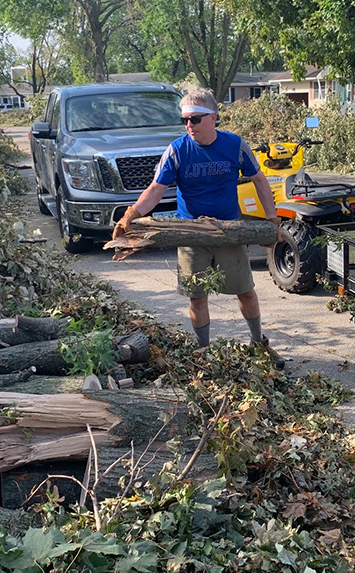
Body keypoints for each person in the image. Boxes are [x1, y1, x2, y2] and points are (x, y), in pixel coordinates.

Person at [111, 90, 284, 367]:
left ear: (213, 118)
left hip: (229, 231)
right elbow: (157, 188)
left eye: (195, 119)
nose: (189, 125)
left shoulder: (235, 145)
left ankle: (258, 343)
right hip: (191, 232)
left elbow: (259, 180)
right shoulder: (177, 150)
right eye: (185, 120)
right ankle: (203, 352)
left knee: (246, 291)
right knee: (197, 297)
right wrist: (131, 214)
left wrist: (271, 218)